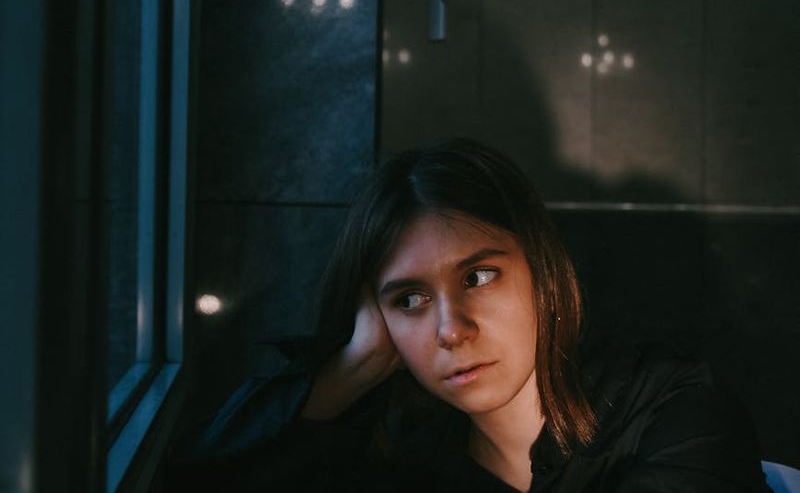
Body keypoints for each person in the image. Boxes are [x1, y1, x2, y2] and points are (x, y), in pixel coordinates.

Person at [169, 138, 770, 492]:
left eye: (478, 277)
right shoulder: (406, 466)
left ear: (541, 271)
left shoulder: (673, 407)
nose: (452, 331)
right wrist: (354, 367)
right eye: (409, 300)